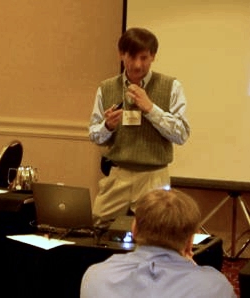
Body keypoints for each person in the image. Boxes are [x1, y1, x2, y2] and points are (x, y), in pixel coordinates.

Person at [88, 27, 190, 224]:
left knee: (156, 233)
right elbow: (93, 134)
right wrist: (107, 126)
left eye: (144, 58)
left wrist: (151, 109)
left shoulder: (171, 86)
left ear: (153, 56)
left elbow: (182, 134)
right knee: (99, 227)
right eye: (131, 57)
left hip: (154, 176)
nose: (137, 65)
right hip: (118, 173)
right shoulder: (106, 88)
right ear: (121, 55)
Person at [80, 188, 236, 298]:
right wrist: (196, 272)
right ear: (190, 240)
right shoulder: (214, 286)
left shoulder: (97, 275)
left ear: (134, 230)